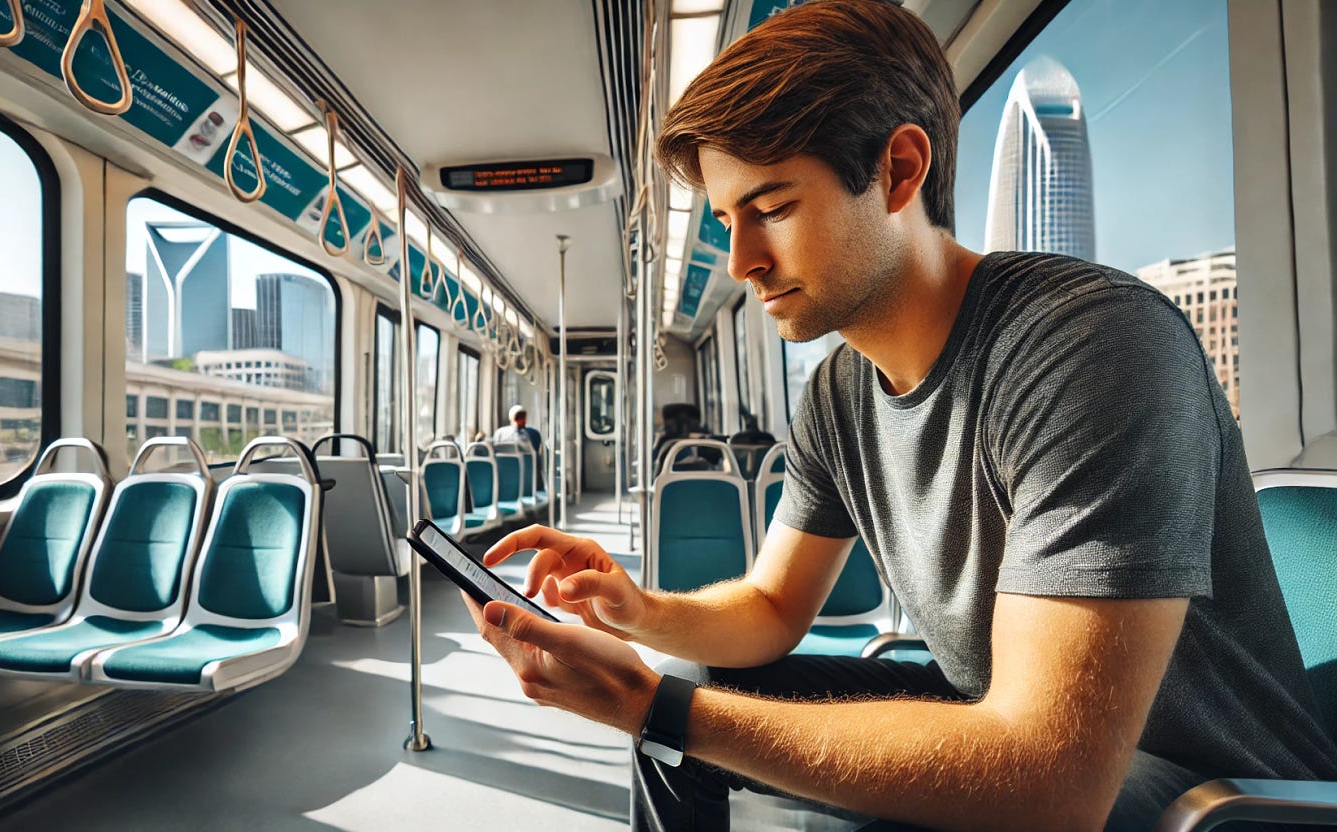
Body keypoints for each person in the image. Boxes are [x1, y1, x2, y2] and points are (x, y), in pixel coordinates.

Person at [462, 2, 1337, 830]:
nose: (741, 262)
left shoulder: (1090, 348)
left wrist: (646, 705)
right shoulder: (841, 392)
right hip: (1011, 721)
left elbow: (1051, 785)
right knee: (692, 686)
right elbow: (770, 606)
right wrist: (636, 609)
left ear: (899, 171)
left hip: (1208, 790)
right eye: (729, 220)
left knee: (682, 717)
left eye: (771, 210)